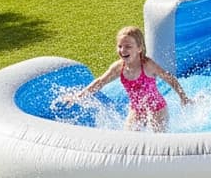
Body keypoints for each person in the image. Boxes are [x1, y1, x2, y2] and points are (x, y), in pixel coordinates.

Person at [62, 26, 192, 132]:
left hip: (157, 108)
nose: (123, 50)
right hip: (136, 109)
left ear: (139, 49)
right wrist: (78, 96)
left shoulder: (147, 65)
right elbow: (100, 82)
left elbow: (170, 78)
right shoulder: (119, 67)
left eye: (128, 46)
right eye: (120, 46)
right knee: (128, 140)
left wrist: (183, 97)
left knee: (158, 141)